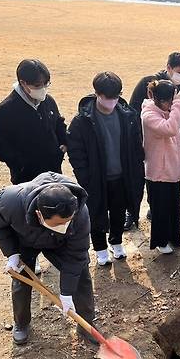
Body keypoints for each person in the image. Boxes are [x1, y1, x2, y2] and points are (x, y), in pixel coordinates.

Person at [0, 172, 95, 345]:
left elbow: (77, 255)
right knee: (22, 280)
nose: (65, 226)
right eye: (59, 223)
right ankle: (21, 323)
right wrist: (12, 253)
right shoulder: (10, 201)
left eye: (67, 221)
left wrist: (66, 293)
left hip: (61, 244)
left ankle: (86, 325)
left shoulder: (79, 213)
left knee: (80, 273)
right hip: (25, 240)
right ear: (39, 214)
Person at [66, 71, 144, 266]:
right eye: (107, 97)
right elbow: (76, 152)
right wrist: (85, 176)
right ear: (97, 94)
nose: (111, 101)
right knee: (96, 212)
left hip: (121, 176)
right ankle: (100, 249)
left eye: (115, 97)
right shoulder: (82, 120)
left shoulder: (127, 116)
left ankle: (116, 242)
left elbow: (136, 146)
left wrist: (135, 169)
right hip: (96, 178)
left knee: (118, 211)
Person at [126, 52, 180, 230]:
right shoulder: (147, 83)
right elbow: (132, 112)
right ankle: (131, 212)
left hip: (164, 148)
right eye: (179, 71)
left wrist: (176, 141)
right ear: (169, 68)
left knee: (158, 182)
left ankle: (153, 207)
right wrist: (138, 140)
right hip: (141, 143)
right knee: (136, 179)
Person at [0, 59, 67, 185]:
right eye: (38, 85)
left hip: (54, 174)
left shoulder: (48, 101)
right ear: (23, 83)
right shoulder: (6, 109)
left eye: (46, 84)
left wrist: (63, 144)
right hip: (26, 179)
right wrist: (18, 163)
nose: (43, 88)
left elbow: (58, 123)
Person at [140, 80, 180, 254]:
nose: (169, 104)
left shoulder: (170, 110)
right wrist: (178, 106)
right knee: (161, 210)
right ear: (155, 98)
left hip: (172, 171)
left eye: (171, 100)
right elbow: (170, 129)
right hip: (158, 172)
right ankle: (161, 241)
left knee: (174, 208)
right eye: (166, 101)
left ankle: (174, 237)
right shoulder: (148, 114)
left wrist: (175, 107)